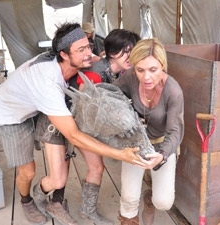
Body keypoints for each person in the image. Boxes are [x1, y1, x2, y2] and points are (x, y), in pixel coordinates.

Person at [0, 22, 148, 225]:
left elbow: (99, 62)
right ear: (64, 54)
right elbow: (73, 133)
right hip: (9, 113)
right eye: (81, 50)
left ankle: (60, 203)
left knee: (74, 164)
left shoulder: (81, 62)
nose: (89, 53)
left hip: (38, 108)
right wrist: (118, 153)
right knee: (29, 171)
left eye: (89, 46)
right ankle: (28, 200)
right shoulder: (48, 83)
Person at [71, 28, 140, 225]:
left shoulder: (123, 71)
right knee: (97, 167)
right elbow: (84, 111)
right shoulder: (94, 75)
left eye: (132, 51)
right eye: (125, 51)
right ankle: (87, 210)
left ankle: (86, 209)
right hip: (80, 126)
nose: (130, 56)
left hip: (96, 125)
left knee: (98, 166)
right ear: (111, 53)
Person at [112, 38, 184, 225]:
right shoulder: (130, 77)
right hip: (135, 142)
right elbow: (113, 94)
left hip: (161, 145)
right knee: (128, 197)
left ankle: (150, 198)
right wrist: (128, 113)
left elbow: (174, 131)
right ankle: (129, 220)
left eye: (153, 70)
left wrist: (162, 155)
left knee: (163, 202)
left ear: (162, 66)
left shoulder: (173, 92)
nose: (146, 77)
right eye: (140, 69)